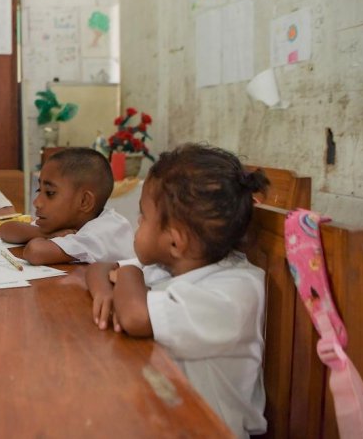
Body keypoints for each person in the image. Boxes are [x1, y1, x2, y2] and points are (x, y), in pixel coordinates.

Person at [86, 143, 268, 438]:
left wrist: (127, 275)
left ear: (175, 241)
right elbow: (99, 268)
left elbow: (135, 316)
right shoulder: (171, 264)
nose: (138, 224)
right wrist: (106, 293)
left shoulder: (234, 292)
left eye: (143, 217)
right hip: (161, 411)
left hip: (208, 429)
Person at [0, 148, 133, 265]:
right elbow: (5, 230)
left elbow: (35, 252)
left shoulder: (107, 230)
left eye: (50, 193)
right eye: (40, 190)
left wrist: (46, 236)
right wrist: (46, 233)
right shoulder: (65, 221)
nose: (37, 202)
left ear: (84, 201)